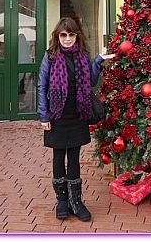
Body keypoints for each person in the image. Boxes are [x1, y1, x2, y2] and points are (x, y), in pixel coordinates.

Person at [37, 17, 114, 222]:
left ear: (76, 36)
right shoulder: (50, 56)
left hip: (78, 114)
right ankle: (62, 201)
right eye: (64, 35)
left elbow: (90, 81)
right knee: (57, 157)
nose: (68, 39)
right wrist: (43, 115)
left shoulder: (82, 56)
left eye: (71, 35)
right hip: (57, 115)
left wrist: (97, 61)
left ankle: (76, 201)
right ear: (57, 36)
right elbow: (41, 86)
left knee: (74, 157)